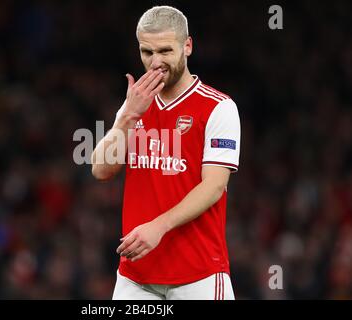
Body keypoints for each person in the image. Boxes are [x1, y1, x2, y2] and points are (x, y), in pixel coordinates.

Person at [91, 5, 240, 300]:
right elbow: (100, 169)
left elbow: (214, 185)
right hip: (136, 277)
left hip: (198, 274)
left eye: (165, 51)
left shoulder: (219, 107)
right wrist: (126, 118)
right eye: (147, 52)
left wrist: (159, 227)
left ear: (188, 46)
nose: (155, 62)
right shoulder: (136, 104)